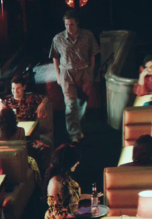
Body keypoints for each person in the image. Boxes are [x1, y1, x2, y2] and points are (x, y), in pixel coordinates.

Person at [50, 10, 100, 142]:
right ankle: (74, 134)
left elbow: (93, 54)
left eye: (71, 24)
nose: (69, 27)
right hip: (67, 73)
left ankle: (78, 127)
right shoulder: (58, 38)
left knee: (82, 102)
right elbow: (55, 57)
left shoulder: (87, 35)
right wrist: (58, 76)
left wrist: (91, 71)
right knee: (71, 104)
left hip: (84, 71)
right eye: (66, 24)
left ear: (77, 23)